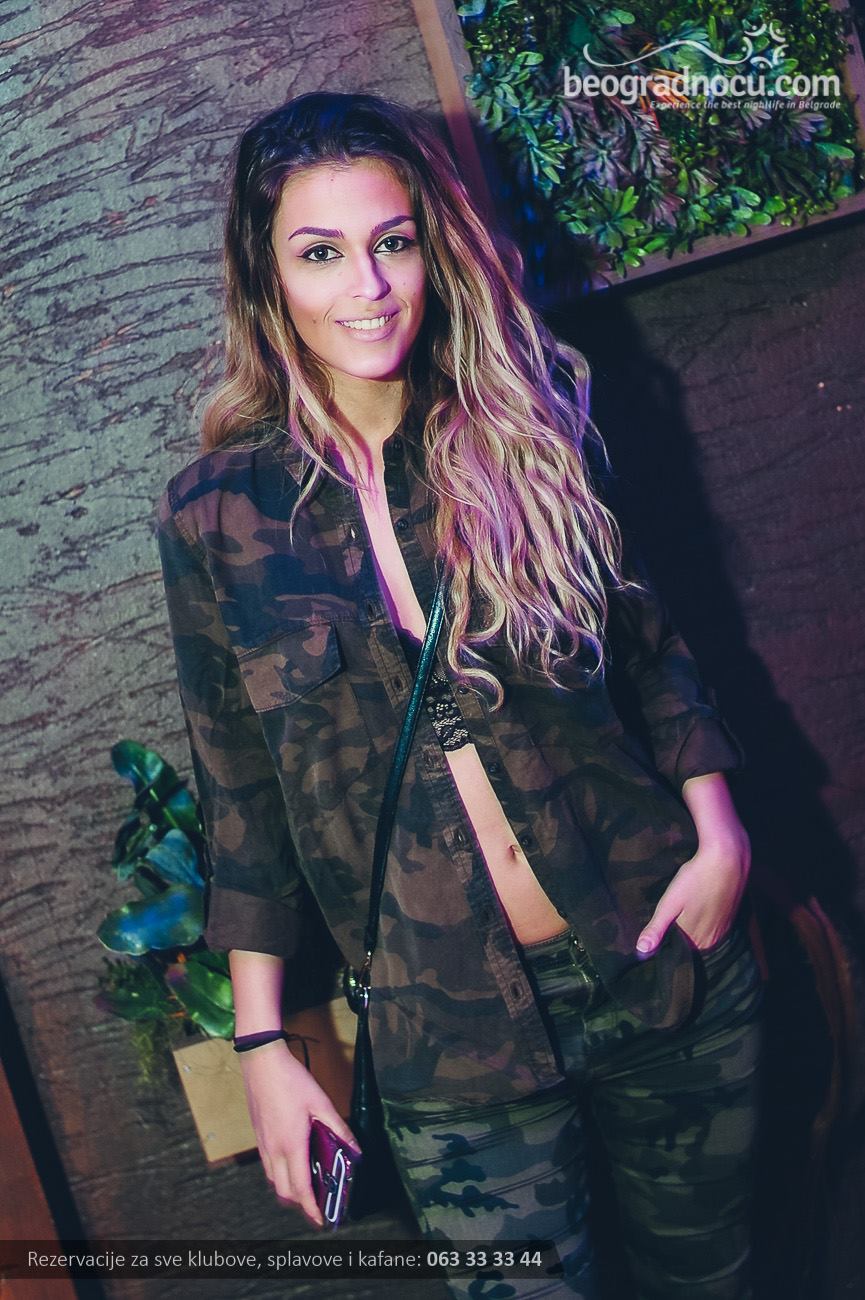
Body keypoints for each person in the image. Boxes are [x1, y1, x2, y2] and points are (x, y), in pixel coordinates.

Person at [155, 91, 764, 1298]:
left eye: (392, 241)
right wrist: (263, 1041)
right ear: (266, 278)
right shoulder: (215, 517)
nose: (368, 286)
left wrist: (719, 833)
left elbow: (652, 653)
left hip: (661, 966)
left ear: (432, 247)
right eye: (320, 253)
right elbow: (241, 797)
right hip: (448, 1044)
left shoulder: (533, 427)